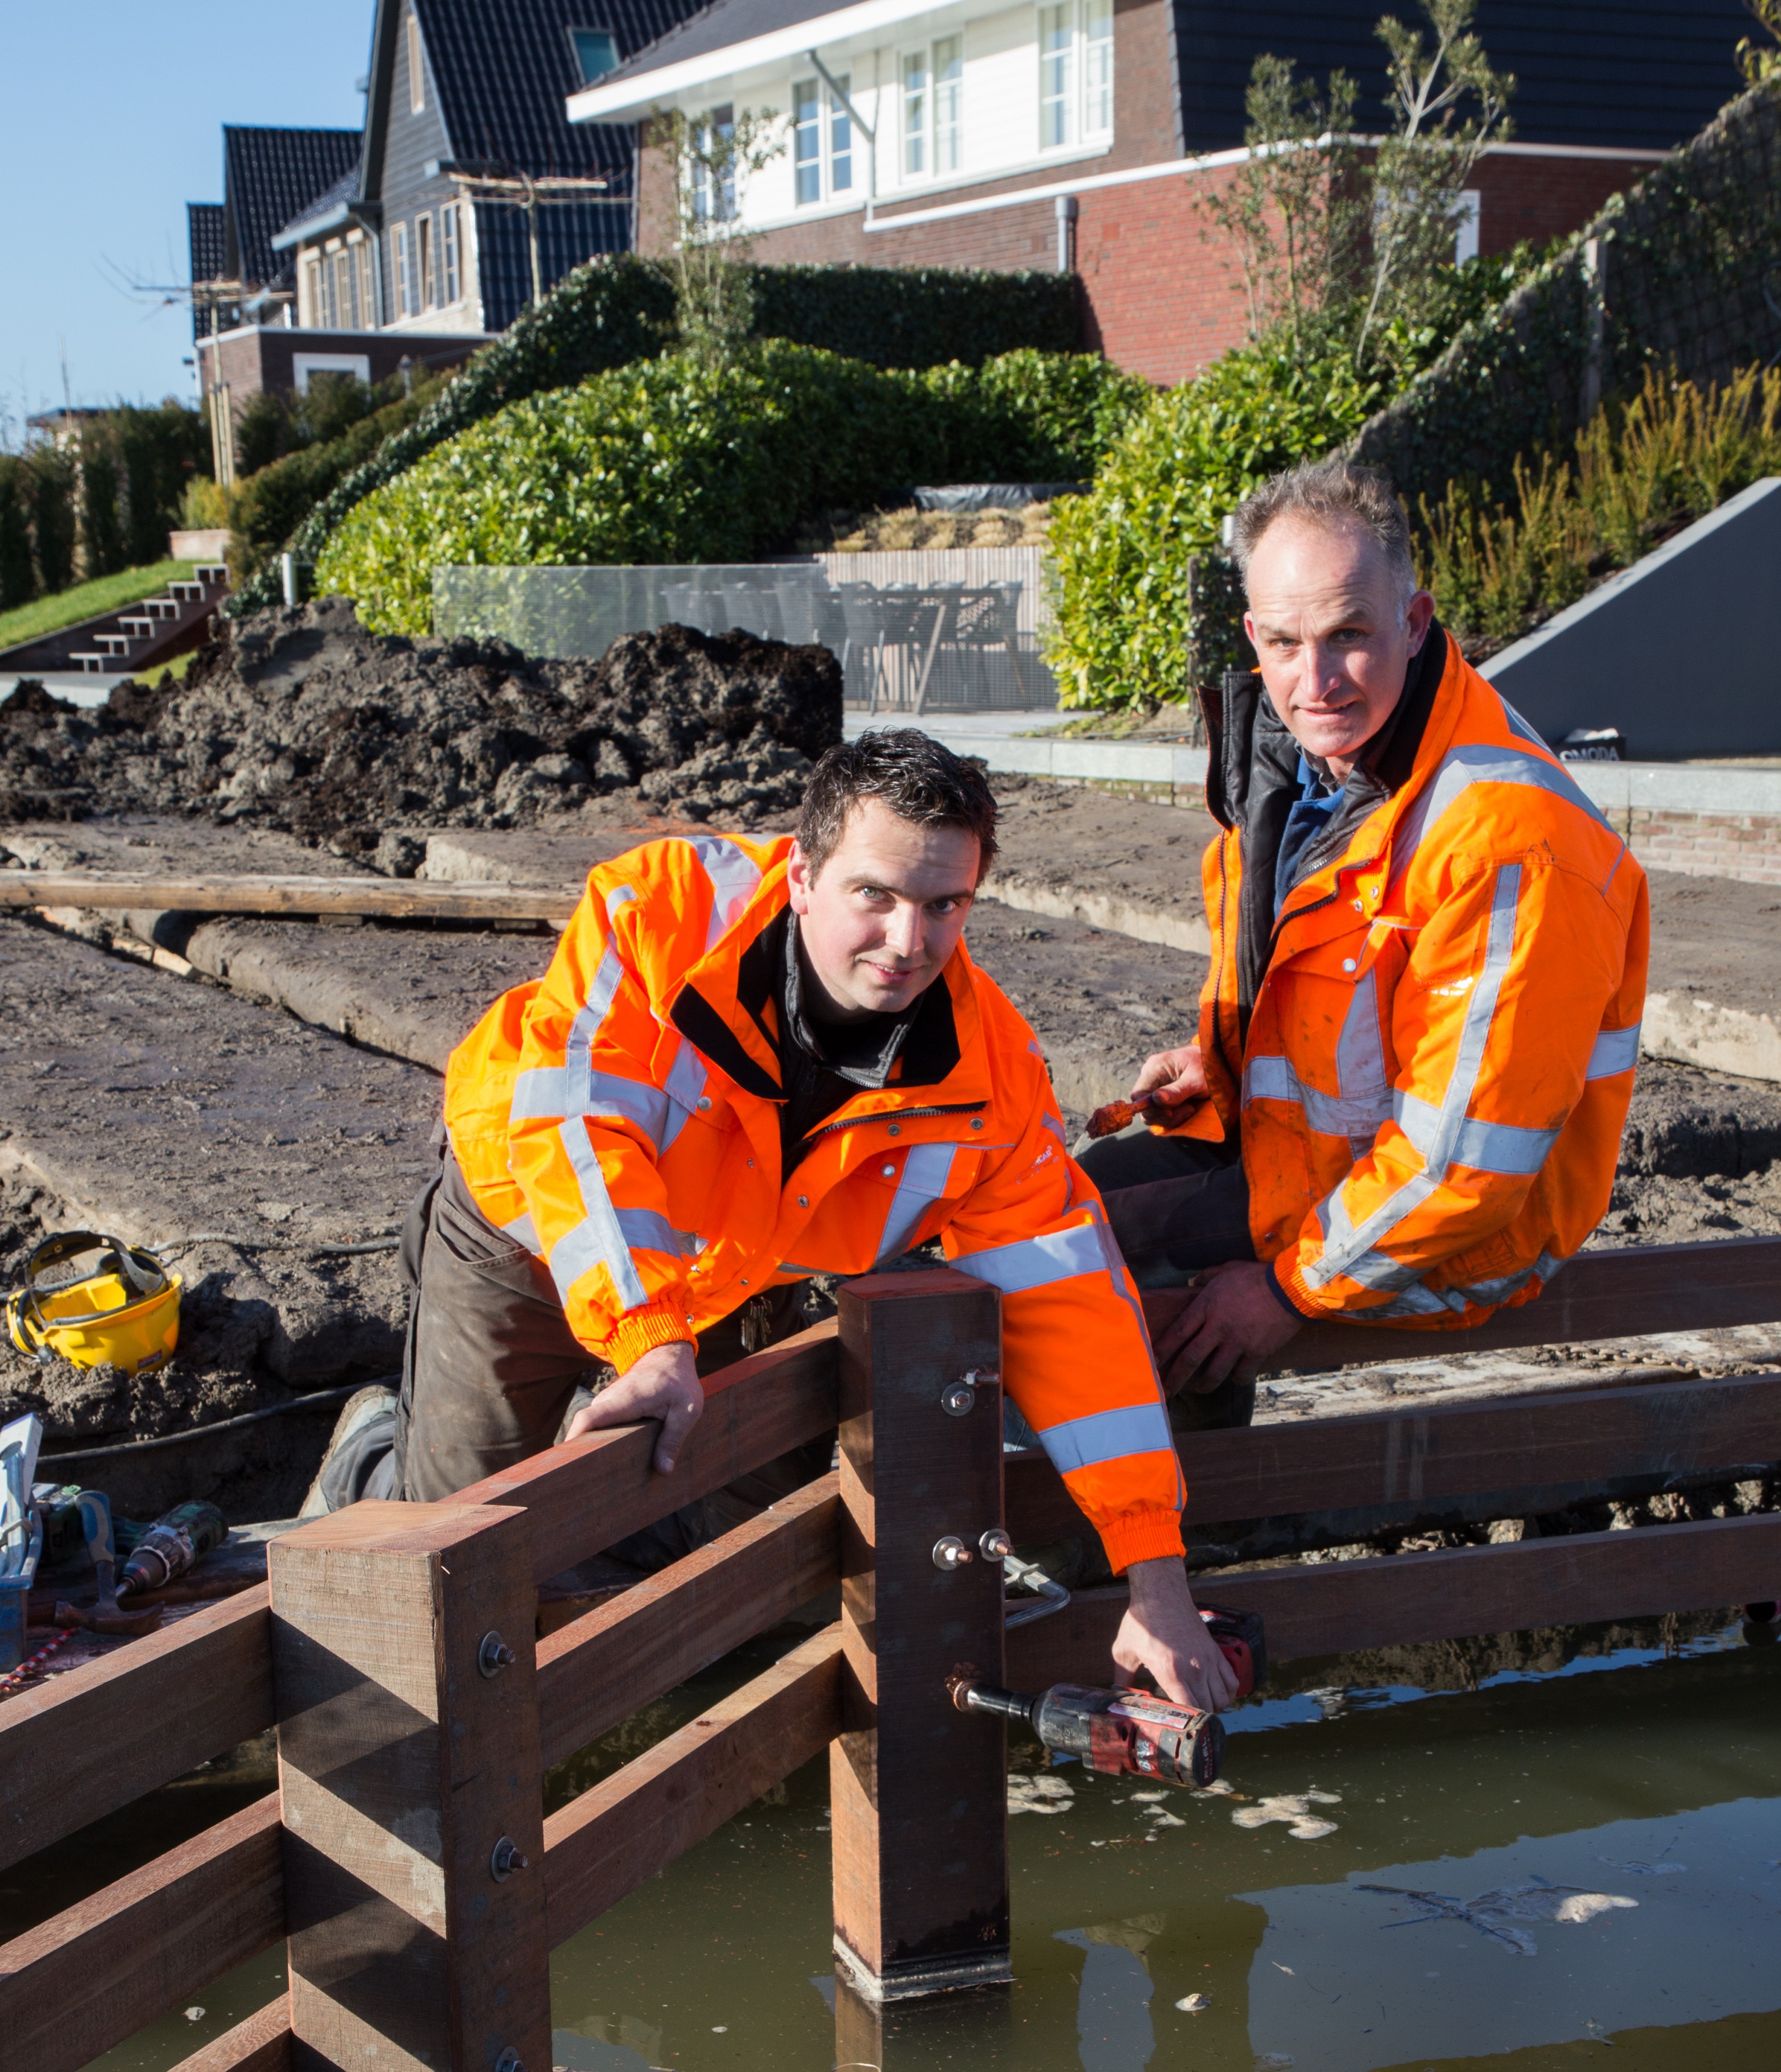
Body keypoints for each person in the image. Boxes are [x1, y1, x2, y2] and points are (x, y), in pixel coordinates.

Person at [315, 729, 1233, 1709]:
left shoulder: (992, 1084)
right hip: (530, 1230)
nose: (907, 942)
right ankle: (370, 1451)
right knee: (459, 1549)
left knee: (720, 1528)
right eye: (873, 895)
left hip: (724, 1277)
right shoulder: (662, 913)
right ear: (802, 875)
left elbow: (1074, 1310)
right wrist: (645, 1335)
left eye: (943, 906)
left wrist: (1156, 1574)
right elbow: (577, 1130)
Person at [1084, 455, 1648, 1399]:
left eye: (1349, 634)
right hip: (1320, 1168)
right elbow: (1337, 994)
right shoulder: (1306, 769)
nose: (1317, 680)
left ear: (1414, 622)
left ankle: (1161, 1519)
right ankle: (1173, 1504)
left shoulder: (1506, 841)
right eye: (1285, 644)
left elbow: (1468, 1161)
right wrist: (1219, 1062)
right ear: (1252, 636)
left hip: (1447, 1238)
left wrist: (1287, 1291)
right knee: (1055, 1211)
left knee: (1084, 1259)